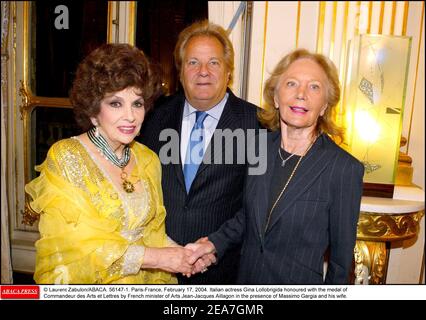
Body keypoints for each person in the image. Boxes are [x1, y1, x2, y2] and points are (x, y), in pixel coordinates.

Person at [25, 43, 198, 284]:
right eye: (116, 103)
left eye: (137, 103)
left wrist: (184, 254)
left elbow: (152, 234)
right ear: (94, 111)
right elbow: (78, 248)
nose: (130, 115)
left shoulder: (147, 159)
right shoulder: (67, 157)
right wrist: (159, 258)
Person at [188, 49, 365, 284]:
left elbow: (341, 264)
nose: (301, 94)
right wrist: (212, 244)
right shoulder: (258, 148)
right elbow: (249, 217)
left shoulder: (343, 169)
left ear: (324, 106)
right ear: (275, 97)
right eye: (291, 84)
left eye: (314, 87)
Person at [139, 20, 261, 284]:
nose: (203, 72)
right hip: (159, 273)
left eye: (214, 62)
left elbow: (258, 206)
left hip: (223, 274)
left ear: (229, 71)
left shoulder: (258, 124)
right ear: (180, 72)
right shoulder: (153, 118)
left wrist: (216, 245)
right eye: (193, 62)